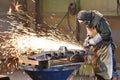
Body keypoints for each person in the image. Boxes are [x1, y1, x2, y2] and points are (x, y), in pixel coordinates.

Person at [77, 10, 118, 80]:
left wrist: (94, 40)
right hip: (97, 47)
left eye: (83, 22)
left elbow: (107, 34)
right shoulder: (88, 21)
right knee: (98, 66)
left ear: (86, 19)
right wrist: (87, 40)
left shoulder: (99, 20)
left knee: (111, 70)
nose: (84, 24)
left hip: (105, 46)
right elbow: (90, 33)